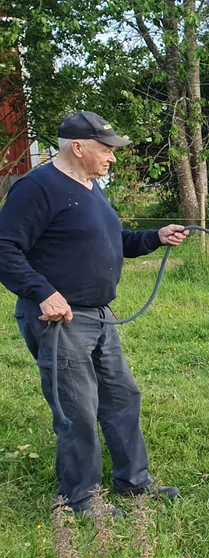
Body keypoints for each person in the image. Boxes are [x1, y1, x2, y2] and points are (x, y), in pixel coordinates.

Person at [0, 111, 190, 517]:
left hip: (100, 316)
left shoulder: (90, 186)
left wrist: (154, 238)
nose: (113, 158)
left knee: (122, 397)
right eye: (107, 149)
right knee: (78, 410)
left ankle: (133, 484)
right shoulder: (36, 189)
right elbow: (5, 250)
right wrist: (43, 292)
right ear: (78, 147)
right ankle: (81, 498)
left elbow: (112, 240)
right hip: (59, 321)